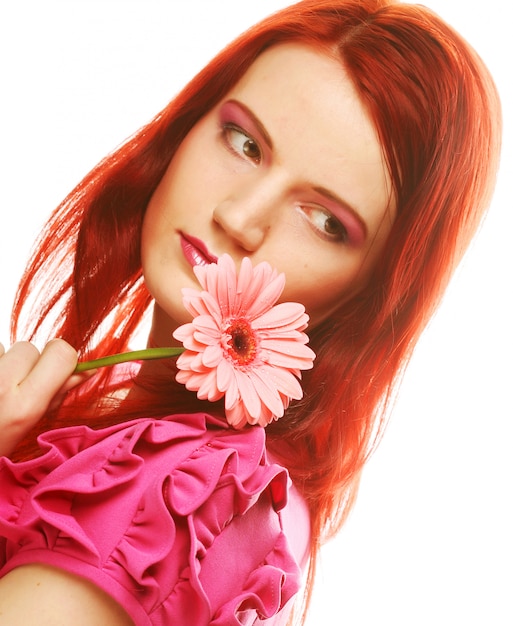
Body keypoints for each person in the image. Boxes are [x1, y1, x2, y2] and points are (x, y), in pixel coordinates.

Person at [0, 0, 501, 624]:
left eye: (324, 221)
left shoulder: (186, 491)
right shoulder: (174, 453)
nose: (237, 219)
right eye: (244, 143)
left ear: (368, 298)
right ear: (187, 124)